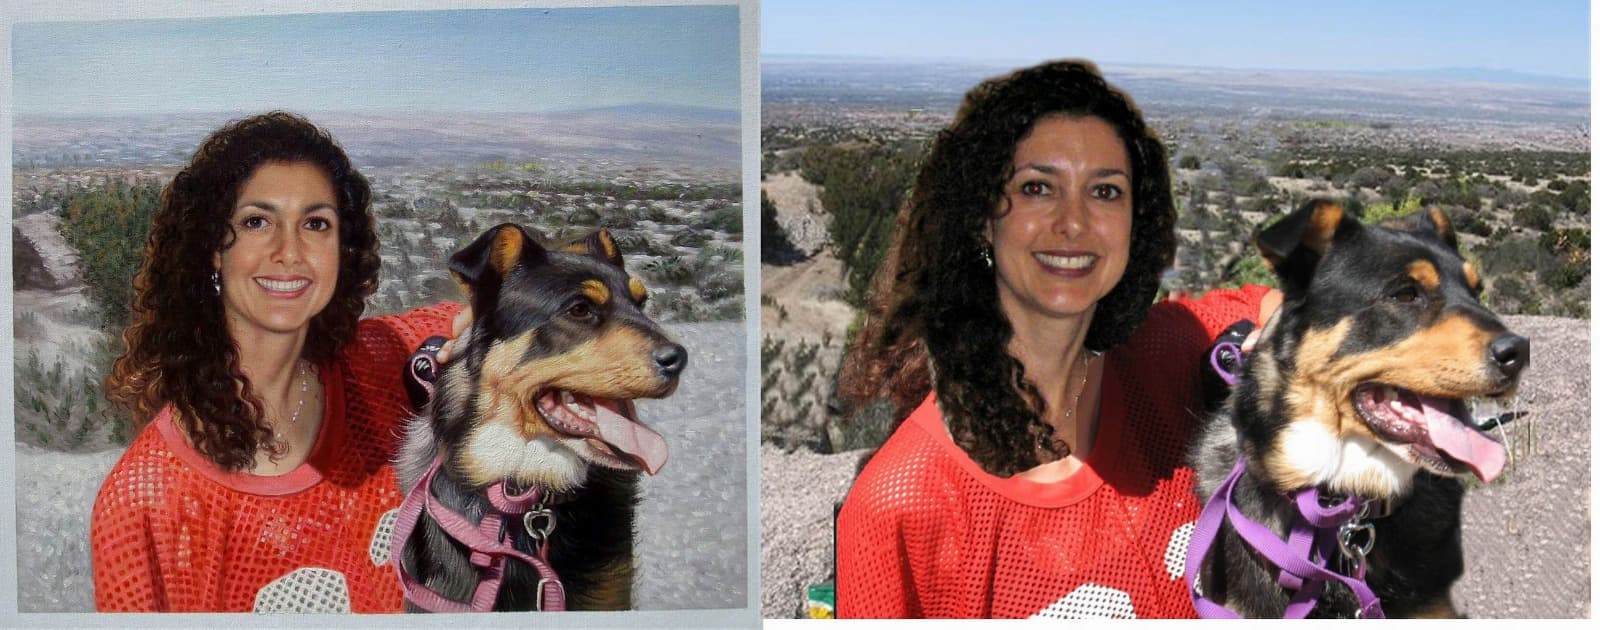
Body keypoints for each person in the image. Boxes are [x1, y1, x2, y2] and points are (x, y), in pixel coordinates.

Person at [834, 60, 1279, 618]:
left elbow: (1287, 304)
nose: (1074, 222)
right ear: (980, 219)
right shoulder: (902, 505)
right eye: (1037, 187)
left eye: (1106, 191)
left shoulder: (1162, 358)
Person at [90, 112, 466, 612]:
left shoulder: (377, 363)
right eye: (256, 222)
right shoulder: (144, 502)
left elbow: (488, 313)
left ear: (341, 248)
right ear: (211, 251)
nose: (290, 252)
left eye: (315, 223)